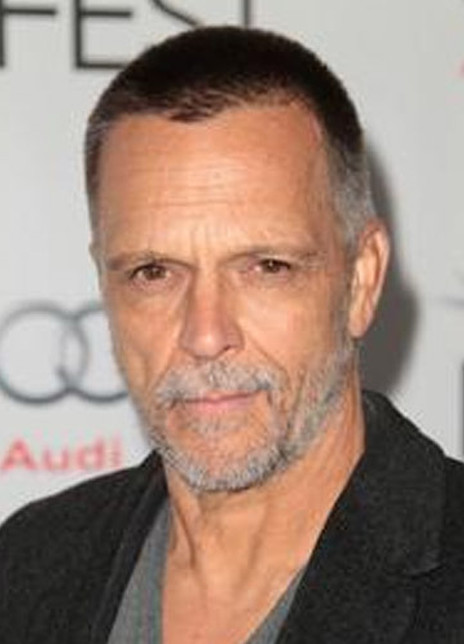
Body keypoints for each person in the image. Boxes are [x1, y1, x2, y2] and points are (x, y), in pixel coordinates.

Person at [1, 26, 464, 644]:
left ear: (361, 279)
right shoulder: (28, 562)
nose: (206, 334)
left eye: (267, 267)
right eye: (153, 272)